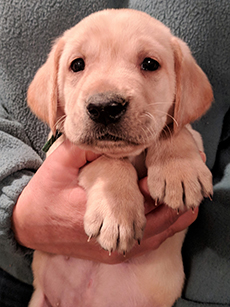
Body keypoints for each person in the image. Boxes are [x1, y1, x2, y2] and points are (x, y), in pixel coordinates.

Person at [0, 1, 229, 307]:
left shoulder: (181, 144)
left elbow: (185, 138)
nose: (104, 101)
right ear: (54, 90)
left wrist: (176, 148)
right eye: (78, 65)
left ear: (180, 85)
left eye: (149, 64)